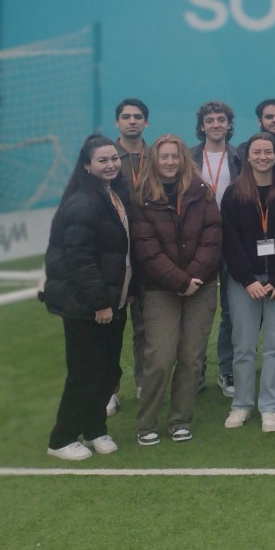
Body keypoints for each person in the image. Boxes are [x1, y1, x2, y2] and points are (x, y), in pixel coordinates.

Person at [40, 135, 133, 460]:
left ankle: (95, 429)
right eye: (102, 160)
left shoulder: (114, 193)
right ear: (87, 166)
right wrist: (100, 303)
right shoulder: (83, 202)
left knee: (107, 371)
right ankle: (61, 438)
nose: (110, 165)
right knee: (85, 372)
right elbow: (79, 260)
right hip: (87, 308)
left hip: (114, 303)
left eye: (114, 159)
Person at [129, 134, 222, 446]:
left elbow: (212, 238)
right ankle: (146, 424)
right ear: (154, 161)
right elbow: (146, 249)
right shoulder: (141, 197)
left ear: (184, 159)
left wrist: (193, 277)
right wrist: (179, 281)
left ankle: (180, 420)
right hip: (160, 289)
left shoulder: (202, 193)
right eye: (163, 157)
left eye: (174, 156)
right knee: (160, 357)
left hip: (201, 287)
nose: (169, 162)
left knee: (192, 357)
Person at [219, 132, 275, 433]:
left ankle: (270, 406)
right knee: (242, 347)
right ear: (247, 156)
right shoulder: (233, 194)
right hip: (245, 282)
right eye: (257, 152)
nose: (262, 157)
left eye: (267, 152)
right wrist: (246, 279)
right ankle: (241, 404)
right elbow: (228, 241)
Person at [189, 101, 243, 399]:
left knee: (232, 311)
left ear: (228, 124)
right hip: (197, 242)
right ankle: (194, 371)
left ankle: (227, 369)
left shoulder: (239, 156)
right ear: (202, 126)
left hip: (232, 240)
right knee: (197, 310)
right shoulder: (188, 157)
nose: (215, 124)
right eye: (209, 120)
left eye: (221, 119)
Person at [111, 98, 150, 417]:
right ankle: (108, 389)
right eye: (126, 117)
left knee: (145, 326)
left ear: (146, 123)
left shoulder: (158, 156)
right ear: (117, 123)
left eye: (138, 117)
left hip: (148, 253)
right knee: (111, 325)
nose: (132, 121)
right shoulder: (106, 157)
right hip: (114, 253)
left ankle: (143, 383)